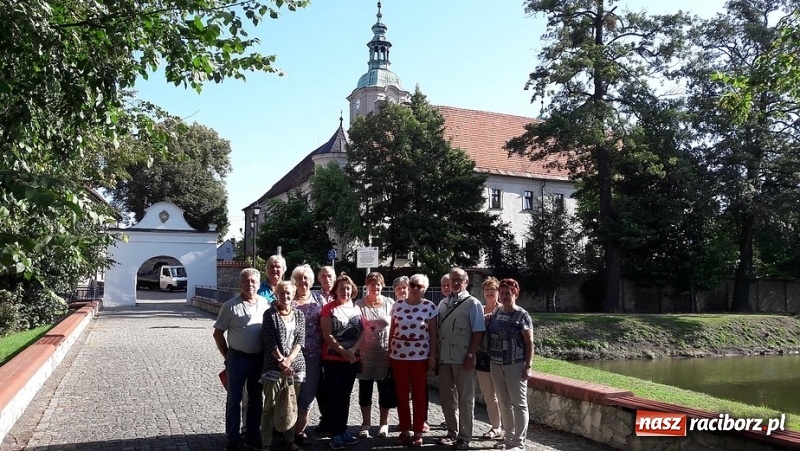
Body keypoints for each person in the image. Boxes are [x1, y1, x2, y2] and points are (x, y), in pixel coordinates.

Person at [213, 268, 271, 451]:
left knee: (256, 399)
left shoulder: (265, 304)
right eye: (246, 281)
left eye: (253, 281)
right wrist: (227, 356)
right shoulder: (230, 306)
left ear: (258, 283)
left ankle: (253, 436)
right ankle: (232, 438)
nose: (250, 284)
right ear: (240, 284)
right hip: (237, 358)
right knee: (233, 399)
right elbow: (218, 334)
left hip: (259, 358)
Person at [436, 267, 485, 450]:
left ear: (466, 282)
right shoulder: (443, 304)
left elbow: (478, 331)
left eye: (459, 280)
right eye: (452, 280)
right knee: (446, 398)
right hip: (444, 358)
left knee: (465, 399)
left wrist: (471, 355)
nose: (455, 284)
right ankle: (451, 432)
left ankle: (464, 437)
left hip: (463, 357)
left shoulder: (473, 304)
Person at [389, 274, 438, 447]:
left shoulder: (430, 307)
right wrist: (389, 351)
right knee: (401, 394)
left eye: (420, 286)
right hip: (398, 355)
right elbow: (392, 329)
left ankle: (418, 431)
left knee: (419, 395)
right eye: (413, 284)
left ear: (425, 289)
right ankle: (404, 429)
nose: (415, 288)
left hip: (420, 356)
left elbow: (433, 334)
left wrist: (432, 356)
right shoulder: (398, 305)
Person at [487, 278, 533, 451]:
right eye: (503, 293)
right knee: (504, 402)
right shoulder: (497, 312)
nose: (505, 296)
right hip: (496, 363)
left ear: (515, 294)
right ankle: (509, 438)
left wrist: (528, 366)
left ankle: (518, 443)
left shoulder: (522, 315)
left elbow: (529, 343)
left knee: (519, 404)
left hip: (515, 364)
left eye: (508, 293)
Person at [320, 273, 364, 450]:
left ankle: (343, 429)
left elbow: (363, 332)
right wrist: (344, 351)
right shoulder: (329, 309)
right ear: (335, 291)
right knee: (334, 396)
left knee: (345, 396)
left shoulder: (356, 308)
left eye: (348, 288)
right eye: (341, 289)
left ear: (352, 290)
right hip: (332, 359)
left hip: (352, 359)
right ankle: (334, 434)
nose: (345, 291)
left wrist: (352, 351)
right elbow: (327, 335)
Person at [260, 280, 306, 451]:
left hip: (296, 365)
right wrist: (282, 361)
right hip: (273, 365)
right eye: (282, 292)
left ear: (293, 294)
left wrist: (290, 360)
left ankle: (289, 440)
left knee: (291, 405)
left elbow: (300, 340)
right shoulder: (269, 314)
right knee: (270, 406)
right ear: (277, 294)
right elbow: (269, 340)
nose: (285, 296)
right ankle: (266, 442)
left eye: (289, 293)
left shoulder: (299, 315)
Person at [355, 272, 396, 439]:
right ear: (366, 286)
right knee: (365, 391)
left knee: (384, 391)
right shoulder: (358, 305)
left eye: (378, 283)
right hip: (365, 355)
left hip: (385, 355)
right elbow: (356, 330)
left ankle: (383, 424)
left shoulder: (390, 304)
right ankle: (365, 424)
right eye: (372, 283)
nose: (375, 286)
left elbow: (395, 328)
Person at [290, 265, 325, 445]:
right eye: (299, 278)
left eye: (306, 278)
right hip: (291, 356)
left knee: (308, 394)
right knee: (290, 394)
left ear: (311, 281)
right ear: (293, 281)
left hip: (313, 355)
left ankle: (300, 431)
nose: (303, 281)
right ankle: (286, 429)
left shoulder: (319, 299)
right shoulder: (288, 299)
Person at [476, 277, 503, 440]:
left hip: (500, 359)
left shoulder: (503, 310)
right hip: (482, 358)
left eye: (492, 289)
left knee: (503, 397)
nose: (490, 293)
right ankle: (496, 427)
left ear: (498, 292)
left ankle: (510, 429)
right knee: (489, 396)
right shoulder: (479, 310)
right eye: (487, 290)